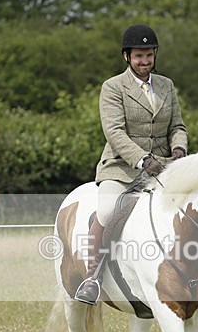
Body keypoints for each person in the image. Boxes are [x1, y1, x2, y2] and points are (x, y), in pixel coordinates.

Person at [74, 24, 188, 304]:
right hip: (122, 168)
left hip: (164, 167)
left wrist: (179, 149)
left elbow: (178, 126)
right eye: (139, 56)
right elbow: (114, 132)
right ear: (127, 57)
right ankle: (92, 278)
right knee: (107, 210)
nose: (145, 62)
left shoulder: (167, 85)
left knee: (194, 207)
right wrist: (142, 159)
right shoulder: (113, 87)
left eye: (149, 55)